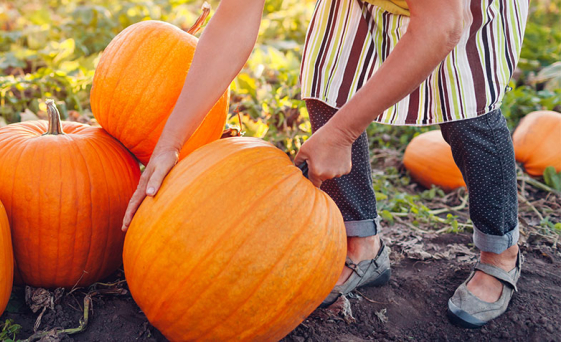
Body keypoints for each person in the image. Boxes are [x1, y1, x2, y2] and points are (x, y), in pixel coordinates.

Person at [121, 0, 528, 329]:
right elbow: (233, 21)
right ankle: (363, 244)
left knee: (467, 113)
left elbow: (442, 25)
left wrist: (341, 135)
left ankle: (500, 254)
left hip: (453, 10)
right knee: (328, 87)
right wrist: (169, 144)